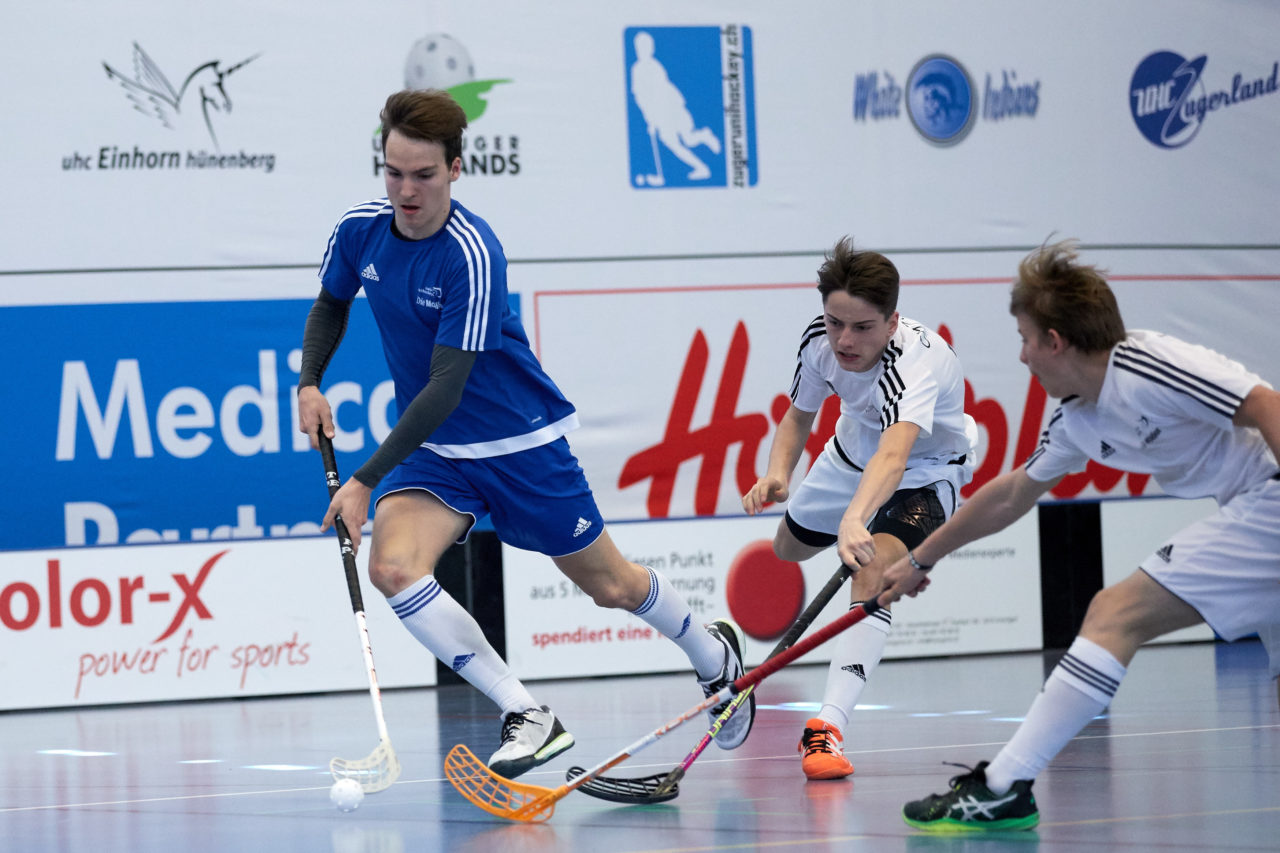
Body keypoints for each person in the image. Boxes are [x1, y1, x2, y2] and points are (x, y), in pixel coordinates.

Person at [296, 88, 754, 780]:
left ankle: (714, 655)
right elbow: (332, 301)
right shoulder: (360, 230)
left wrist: (362, 479)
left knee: (614, 586)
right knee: (391, 566)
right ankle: (526, 712)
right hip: (438, 454)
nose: (405, 190)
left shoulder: (471, 255)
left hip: (518, 447)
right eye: (393, 172)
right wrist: (309, 380)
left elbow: (445, 389)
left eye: (423, 175)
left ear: (456, 168)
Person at [879, 239, 1280, 831]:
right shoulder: (1077, 418)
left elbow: (1264, 404)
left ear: (1056, 341)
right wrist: (920, 558)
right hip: (1250, 505)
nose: (1021, 356)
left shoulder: (1148, 366)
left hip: (1269, 499)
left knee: (1114, 613)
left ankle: (1004, 785)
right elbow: (1014, 493)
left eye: (1024, 339)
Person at [742, 236, 976, 780]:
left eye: (862, 328)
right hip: (849, 454)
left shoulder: (916, 363)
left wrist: (857, 519)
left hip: (924, 470)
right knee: (786, 548)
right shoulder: (818, 340)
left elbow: (896, 456)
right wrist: (778, 472)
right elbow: (800, 415)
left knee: (871, 566)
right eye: (834, 322)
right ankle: (853, 522)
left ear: (892, 323)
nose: (845, 340)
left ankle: (826, 728)